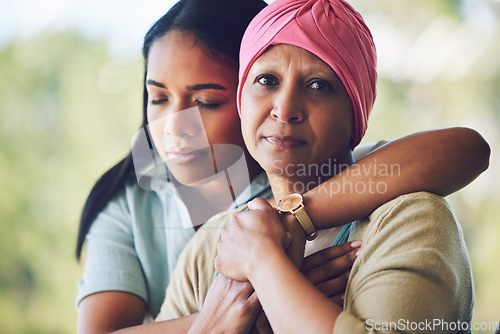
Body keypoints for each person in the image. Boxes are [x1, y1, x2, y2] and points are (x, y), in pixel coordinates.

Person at [75, 0, 490, 332]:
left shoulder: (404, 213)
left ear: (356, 116)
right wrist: (229, 316)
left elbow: (461, 149)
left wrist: (268, 261)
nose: (285, 108)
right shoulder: (210, 241)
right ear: (244, 102)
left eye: (319, 85)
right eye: (266, 81)